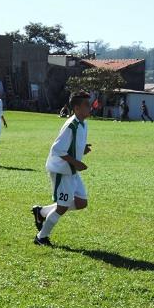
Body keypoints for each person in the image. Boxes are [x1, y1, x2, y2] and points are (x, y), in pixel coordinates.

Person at [31, 91, 92, 246]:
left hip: (71, 170)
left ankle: (42, 212)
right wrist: (77, 163)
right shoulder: (71, 125)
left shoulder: (82, 123)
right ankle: (41, 237)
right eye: (86, 105)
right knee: (62, 207)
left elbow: (70, 145)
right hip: (61, 170)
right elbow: (57, 149)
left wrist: (81, 148)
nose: (90, 107)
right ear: (77, 108)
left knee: (81, 202)